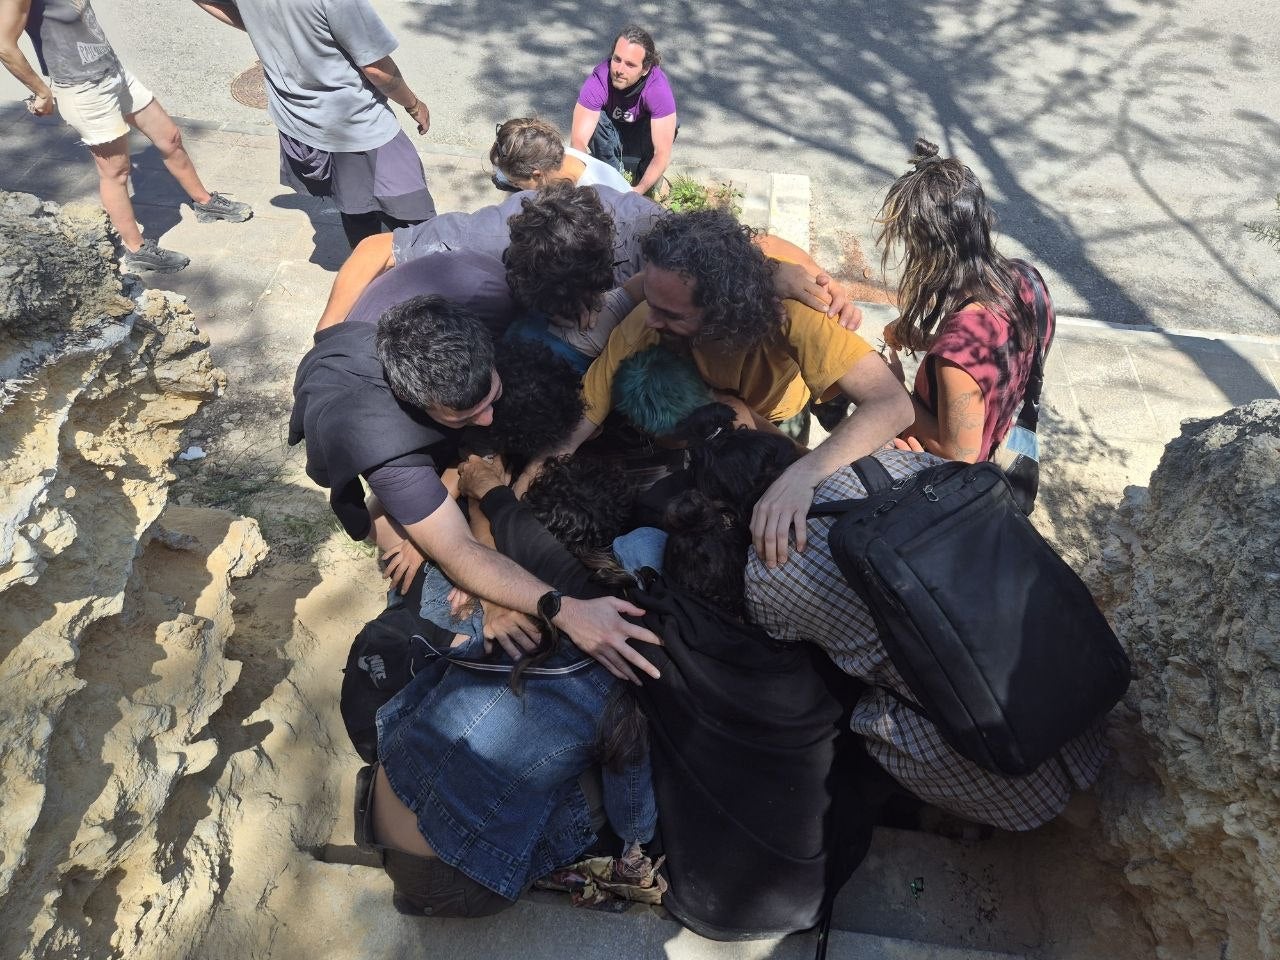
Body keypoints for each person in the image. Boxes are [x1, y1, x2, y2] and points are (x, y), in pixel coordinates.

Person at [687, 428, 1108, 832]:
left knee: (861, 711)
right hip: (1070, 678)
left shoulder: (769, 572)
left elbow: (789, 647)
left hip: (993, 767)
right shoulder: (894, 462)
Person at [288, 291, 662, 682]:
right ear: (420, 405)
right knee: (405, 548)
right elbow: (457, 547)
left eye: (492, 398)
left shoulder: (479, 313)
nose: (487, 420)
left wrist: (483, 509)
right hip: (368, 426)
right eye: (465, 416)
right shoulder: (388, 453)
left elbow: (479, 469)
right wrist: (550, 607)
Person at [522, 209, 913, 568]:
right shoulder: (644, 324)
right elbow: (566, 441)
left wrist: (804, 474)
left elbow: (892, 404)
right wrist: (510, 522)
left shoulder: (794, 312)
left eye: (670, 313)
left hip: (783, 413)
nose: (650, 320)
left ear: (725, 309)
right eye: (650, 300)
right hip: (709, 420)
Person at [316, 181, 862, 345]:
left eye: (584, 303)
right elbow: (374, 249)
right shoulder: (488, 237)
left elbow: (745, 244)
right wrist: (327, 341)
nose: (582, 317)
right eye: (569, 310)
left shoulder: (642, 228)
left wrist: (800, 276)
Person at [1, 0, 252, 273]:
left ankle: (205, 203)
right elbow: (4, 44)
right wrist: (41, 91)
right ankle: (136, 250)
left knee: (170, 137)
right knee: (116, 171)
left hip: (114, 72)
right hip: (83, 90)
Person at [193, 0, 435, 248]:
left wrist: (258, 24)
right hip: (357, 124)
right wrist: (414, 104)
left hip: (299, 121)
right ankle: (417, 269)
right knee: (417, 225)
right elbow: (376, 68)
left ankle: (367, 267)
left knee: (355, 207)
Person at [878, 138, 1055, 464]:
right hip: (1003, 444)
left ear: (928, 251)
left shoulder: (956, 354)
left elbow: (960, 455)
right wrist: (929, 341)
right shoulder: (1028, 280)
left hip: (950, 482)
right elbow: (997, 357)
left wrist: (891, 391)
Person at [571, 25, 676, 196]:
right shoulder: (599, 79)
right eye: (617, 59)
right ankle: (610, 179)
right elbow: (578, 141)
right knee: (595, 121)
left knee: (669, 126)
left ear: (645, 69)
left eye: (630, 65)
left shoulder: (657, 88)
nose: (619, 70)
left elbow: (662, 153)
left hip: (641, 141)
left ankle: (648, 180)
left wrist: (638, 191)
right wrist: (586, 181)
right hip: (609, 140)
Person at [490, 116, 630, 194]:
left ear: (537, 175)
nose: (513, 185)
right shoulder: (546, 151)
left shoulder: (593, 197)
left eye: (516, 183)